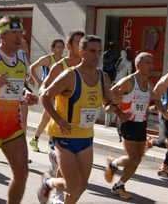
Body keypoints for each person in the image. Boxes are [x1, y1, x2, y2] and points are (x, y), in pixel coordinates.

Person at [37, 35, 121, 204]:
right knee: (71, 185)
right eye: (92, 51)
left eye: (99, 51)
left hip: (86, 136)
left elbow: (107, 105)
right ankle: (48, 182)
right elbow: (45, 97)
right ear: (81, 52)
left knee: (82, 185)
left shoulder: (103, 77)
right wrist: (58, 120)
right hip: (64, 135)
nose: (96, 55)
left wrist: (115, 103)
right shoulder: (70, 76)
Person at [0, 14, 38, 204]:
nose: (19, 36)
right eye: (14, 32)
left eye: (21, 32)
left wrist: (25, 95)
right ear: (2, 36)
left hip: (11, 126)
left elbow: (17, 86)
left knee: (22, 173)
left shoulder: (22, 57)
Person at [104, 52, 155, 199]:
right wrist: (119, 113)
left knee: (137, 159)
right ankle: (113, 163)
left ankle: (119, 185)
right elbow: (110, 96)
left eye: (152, 63)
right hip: (127, 123)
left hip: (141, 124)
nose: (151, 66)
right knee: (134, 158)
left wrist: (155, 106)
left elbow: (149, 103)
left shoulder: (150, 84)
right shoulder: (129, 81)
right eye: (148, 63)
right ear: (138, 65)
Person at [29, 31, 84, 153]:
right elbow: (32, 67)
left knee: (48, 119)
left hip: (61, 97)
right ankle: (38, 140)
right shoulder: (48, 60)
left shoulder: (67, 61)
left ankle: (44, 141)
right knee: (46, 119)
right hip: (50, 94)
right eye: (58, 47)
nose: (60, 49)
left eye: (61, 47)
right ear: (53, 48)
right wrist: (38, 81)